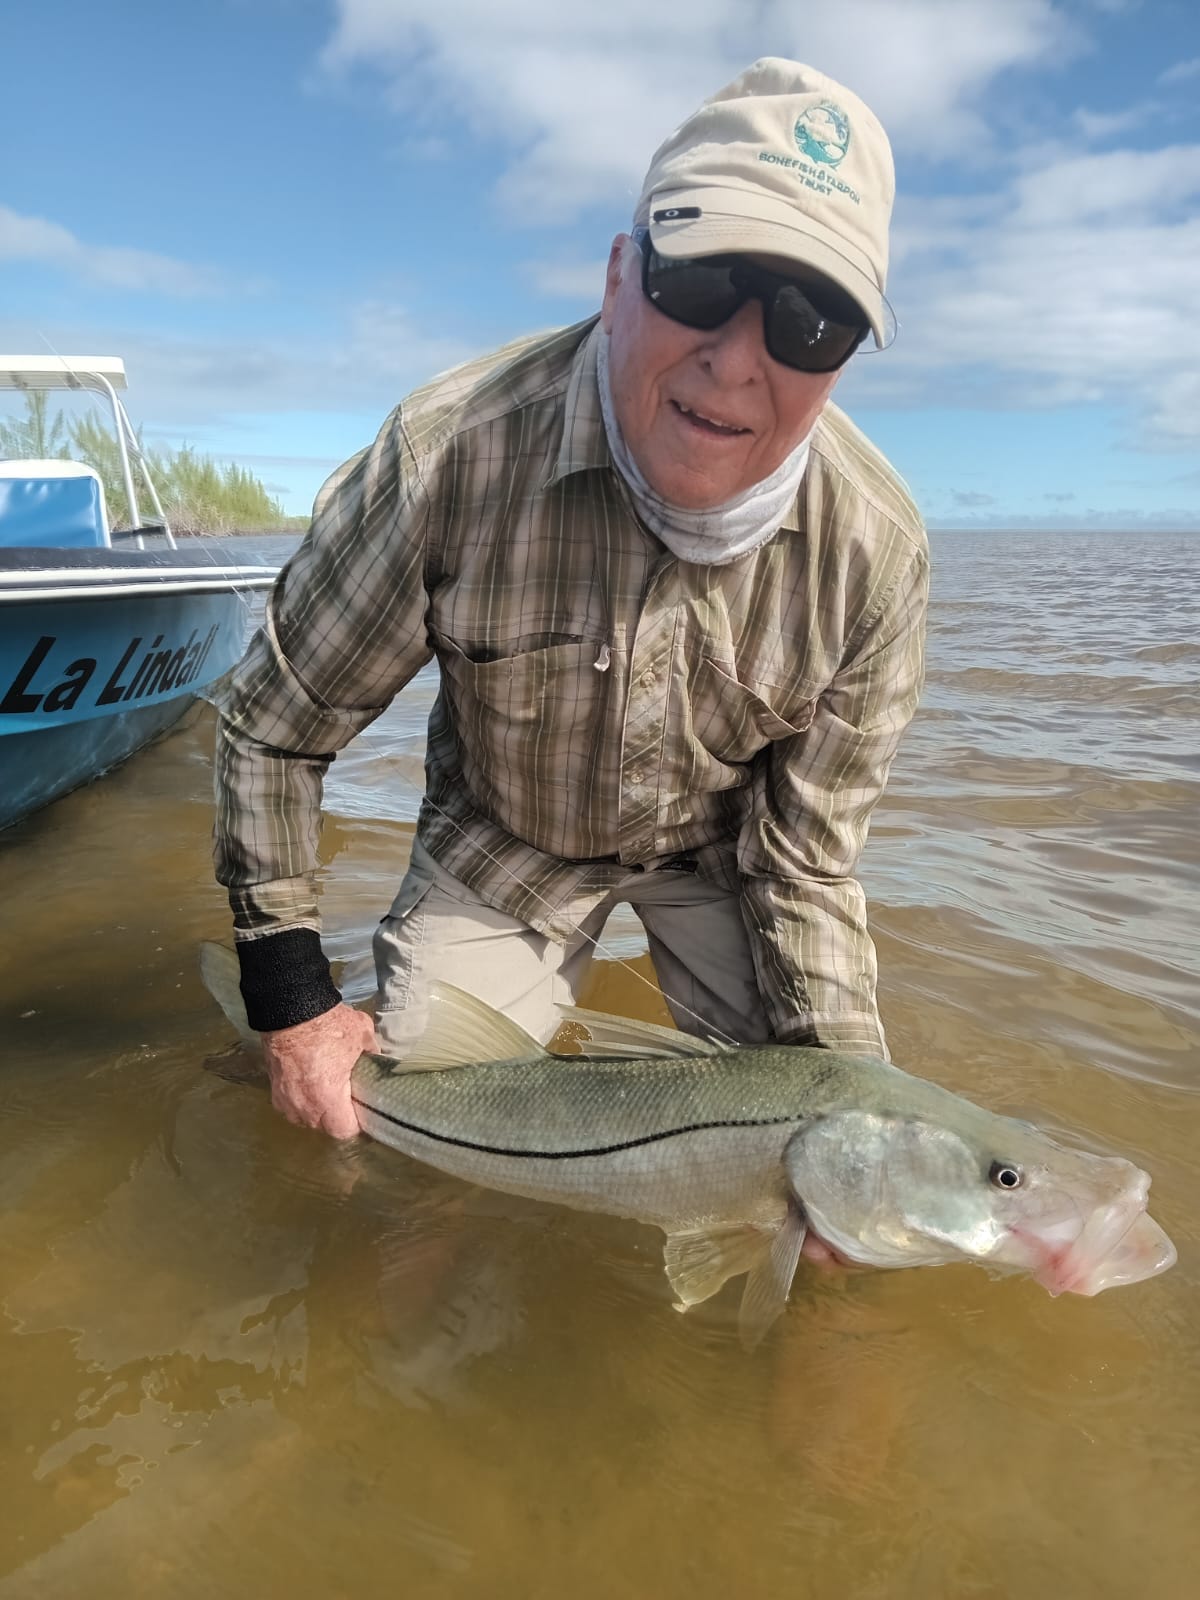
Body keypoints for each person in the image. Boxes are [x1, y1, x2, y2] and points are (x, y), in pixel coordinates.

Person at [213, 57, 929, 1155]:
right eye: (699, 282)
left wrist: (855, 1115)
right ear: (616, 277)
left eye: (808, 322)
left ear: (840, 364)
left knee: (827, 1153)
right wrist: (291, 996)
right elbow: (275, 724)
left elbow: (804, 865)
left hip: (722, 866)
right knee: (391, 1146)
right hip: (506, 847)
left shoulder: (874, 554)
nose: (736, 361)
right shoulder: (446, 454)